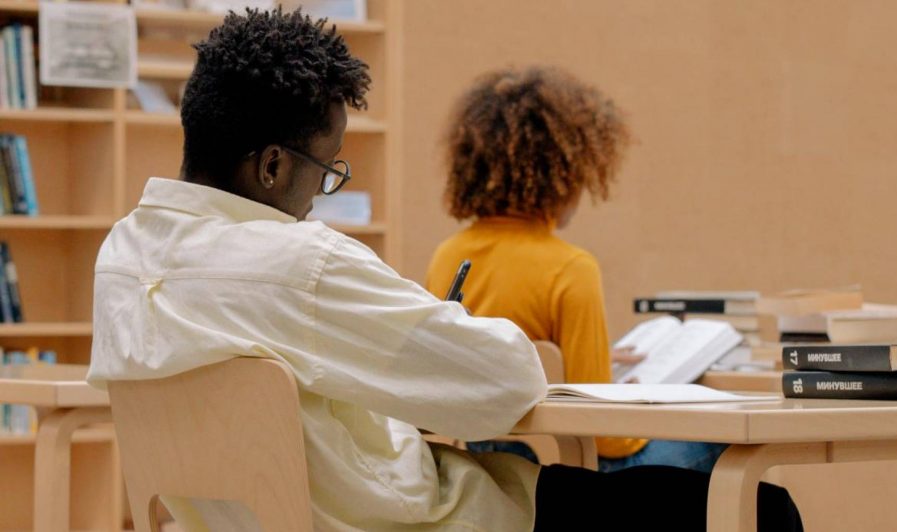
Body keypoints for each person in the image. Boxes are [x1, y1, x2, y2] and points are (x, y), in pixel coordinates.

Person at [87, 9, 801, 531]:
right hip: (422, 519)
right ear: (272, 165)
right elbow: (506, 379)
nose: (320, 194)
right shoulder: (301, 264)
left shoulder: (122, 258)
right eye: (325, 170)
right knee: (758, 506)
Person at [426, 66, 729, 474]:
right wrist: (633, 402)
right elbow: (606, 438)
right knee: (723, 442)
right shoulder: (571, 269)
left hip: (487, 464)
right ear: (565, 174)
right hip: (576, 474)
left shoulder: (448, 256)